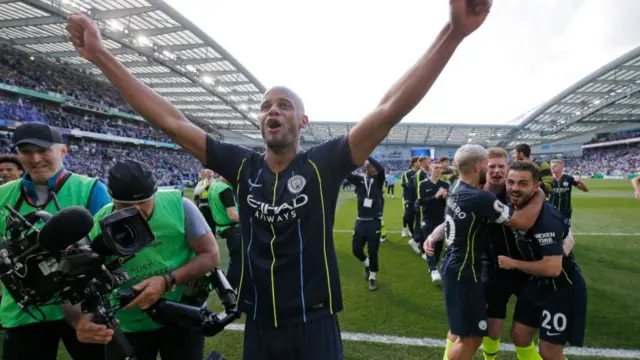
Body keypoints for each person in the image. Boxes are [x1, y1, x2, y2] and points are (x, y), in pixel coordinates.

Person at [66, 2, 491, 357]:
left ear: (302, 120)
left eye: (284, 105)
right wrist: (102, 56)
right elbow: (172, 122)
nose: (273, 110)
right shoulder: (242, 166)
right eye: (266, 105)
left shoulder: (323, 165)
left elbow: (387, 111)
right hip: (260, 325)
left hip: (315, 322)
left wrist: (451, 33)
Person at [63, 159, 220, 360]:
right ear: (112, 199)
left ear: (155, 193)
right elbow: (72, 287)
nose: (137, 210)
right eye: (126, 205)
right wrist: (79, 321)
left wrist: (166, 281)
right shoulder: (98, 226)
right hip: (127, 323)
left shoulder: (180, 206)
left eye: (143, 201)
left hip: (182, 312)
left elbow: (210, 255)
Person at [0, 122, 111, 360]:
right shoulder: (3, 195)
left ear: (63, 151)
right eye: (27, 151)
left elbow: (111, 251)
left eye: (43, 150)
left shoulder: (91, 189)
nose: (36, 158)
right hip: (24, 313)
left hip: (85, 310)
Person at [424, 144, 545, 360]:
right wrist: (539, 195)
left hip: (459, 267)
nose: (496, 171)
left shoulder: (455, 188)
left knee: (468, 332)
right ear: (481, 167)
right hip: (468, 270)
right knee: (470, 338)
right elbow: (523, 221)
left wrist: (433, 236)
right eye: (491, 166)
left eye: (501, 166)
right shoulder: (481, 197)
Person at [498, 161, 587, 360]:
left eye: (523, 184)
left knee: (549, 350)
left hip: (561, 286)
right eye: (511, 182)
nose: (515, 188)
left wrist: (513, 264)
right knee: (519, 335)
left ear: (535, 186)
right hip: (536, 282)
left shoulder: (546, 219)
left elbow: (553, 268)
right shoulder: (513, 201)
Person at [345, 158, 385, 291]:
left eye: (374, 167)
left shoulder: (378, 181)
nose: (374, 169)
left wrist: (369, 157)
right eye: (371, 167)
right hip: (361, 221)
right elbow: (347, 173)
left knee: (373, 251)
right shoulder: (359, 181)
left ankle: (372, 277)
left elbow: (382, 169)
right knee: (356, 250)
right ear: (365, 169)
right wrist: (359, 160)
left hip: (374, 222)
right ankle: (367, 264)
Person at [417, 160, 449, 283]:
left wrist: (445, 198)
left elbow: (447, 204)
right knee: (429, 243)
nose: (438, 169)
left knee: (439, 247)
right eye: (435, 167)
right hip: (427, 218)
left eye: (440, 168)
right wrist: (434, 197)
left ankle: (433, 265)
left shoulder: (445, 184)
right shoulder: (423, 184)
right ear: (430, 169)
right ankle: (434, 269)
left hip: (441, 219)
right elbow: (420, 202)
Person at [209, 175, 241, 289]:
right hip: (234, 229)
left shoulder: (214, 185)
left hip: (223, 227)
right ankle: (229, 291)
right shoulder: (225, 189)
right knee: (238, 263)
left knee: (237, 262)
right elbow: (232, 215)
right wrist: (250, 217)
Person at [549, 159, 588, 227]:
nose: (552, 168)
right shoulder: (549, 179)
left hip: (566, 210)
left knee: (566, 230)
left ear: (561, 167)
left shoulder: (569, 178)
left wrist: (580, 182)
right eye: (551, 166)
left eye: (555, 166)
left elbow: (585, 190)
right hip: (551, 210)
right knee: (552, 229)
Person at [409, 156, 430, 255]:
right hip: (421, 204)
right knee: (421, 224)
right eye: (427, 161)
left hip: (424, 203)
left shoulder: (424, 174)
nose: (429, 163)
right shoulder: (419, 174)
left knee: (421, 224)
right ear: (421, 162)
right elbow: (419, 190)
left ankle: (416, 241)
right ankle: (416, 241)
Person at [401, 157, 420, 238]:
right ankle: (405, 229)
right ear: (413, 163)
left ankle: (412, 231)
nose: (419, 163)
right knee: (408, 214)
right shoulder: (407, 173)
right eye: (418, 161)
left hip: (417, 198)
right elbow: (408, 185)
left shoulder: (420, 173)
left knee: (416, 216)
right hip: (408, 198)